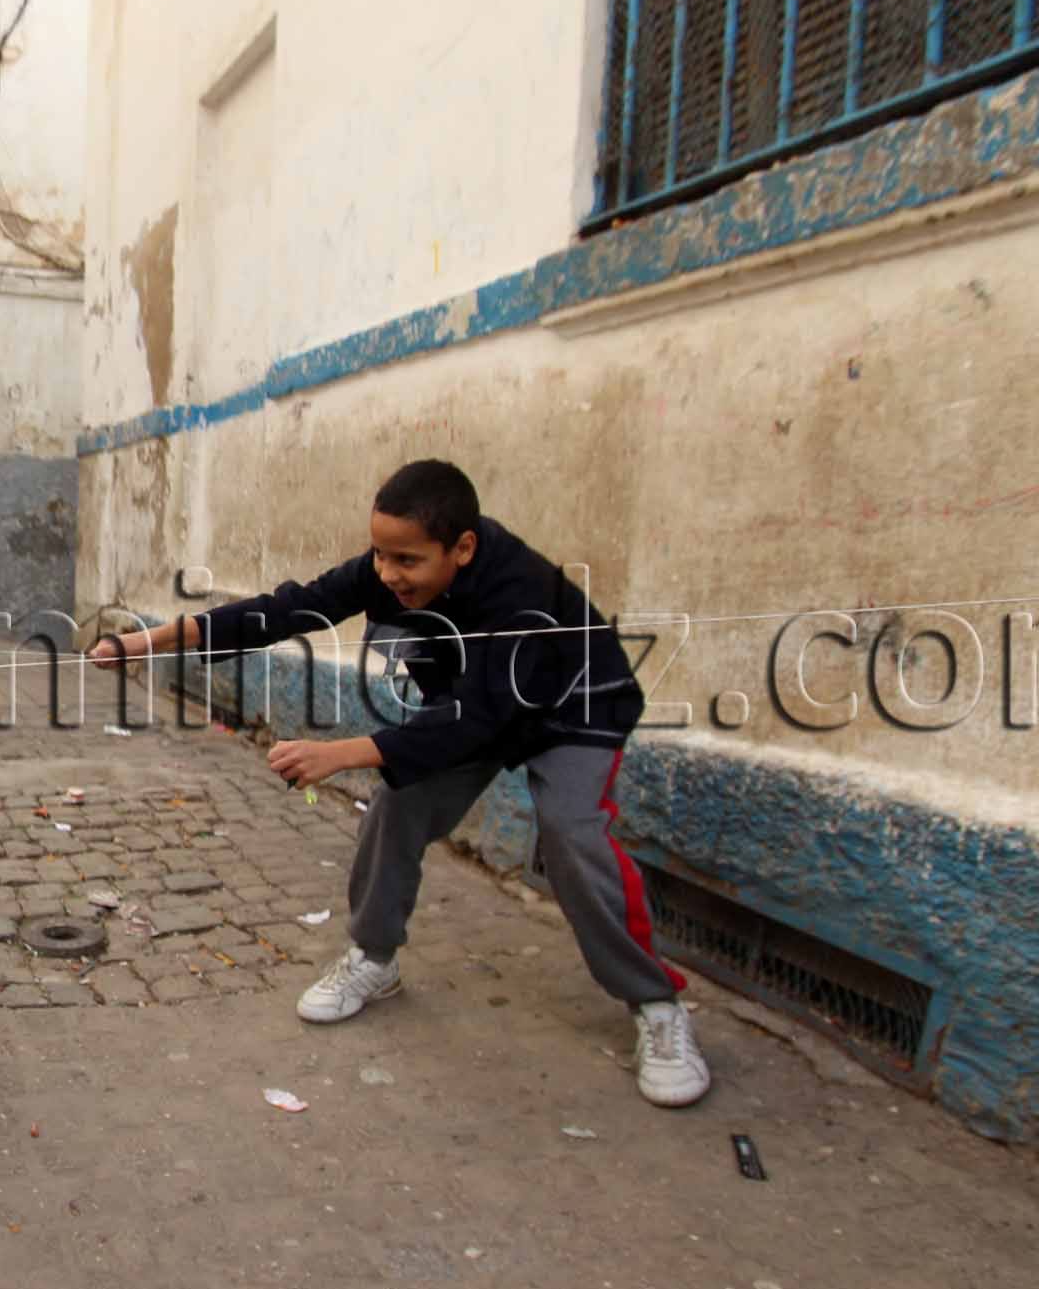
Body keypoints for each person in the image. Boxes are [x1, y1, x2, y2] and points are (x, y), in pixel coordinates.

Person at [88, 459, 710, 1109]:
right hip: (475, 704)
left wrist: (340, 753)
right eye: (380, 555)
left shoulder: (522, 592)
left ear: (462, 548)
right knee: (398, 802)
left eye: (406, 560)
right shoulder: (389, 569)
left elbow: (476, 718)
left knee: (572, 832)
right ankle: (373, 957)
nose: (387, 574)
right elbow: (282, 610)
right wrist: (145, 642)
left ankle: (656, 1004)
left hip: (574, 709)